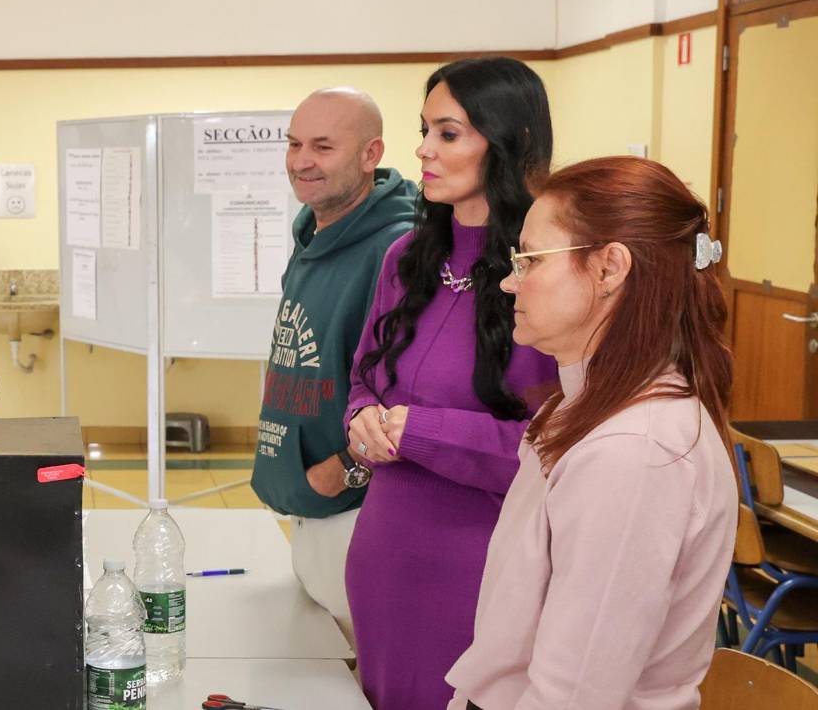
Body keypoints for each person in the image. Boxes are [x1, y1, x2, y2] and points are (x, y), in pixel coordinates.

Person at [447, 156, 737, 710]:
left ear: (609, 269)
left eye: (529, 259)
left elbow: (574, 695)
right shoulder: (583, 409)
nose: (510, 282)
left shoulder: (635, 452)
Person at [343, 57, 559, 709]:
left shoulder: (543, 275)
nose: (423, 149)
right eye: (424, 129)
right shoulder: (405, 259)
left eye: (448, 133)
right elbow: (362, 383)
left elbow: (555, 446)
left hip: (481, 570)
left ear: (509, 140)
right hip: (382, 553)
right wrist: (360, 422)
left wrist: (421, 430)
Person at [248, 87, 416, 647]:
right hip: (309, 516)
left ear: (372, 154)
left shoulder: (398, 248)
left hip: (353, 517)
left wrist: (344, 470)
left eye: (323, 146)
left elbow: (412, 394)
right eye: (295, 143)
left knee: (352, 684)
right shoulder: (313, 233)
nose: (301, 160)